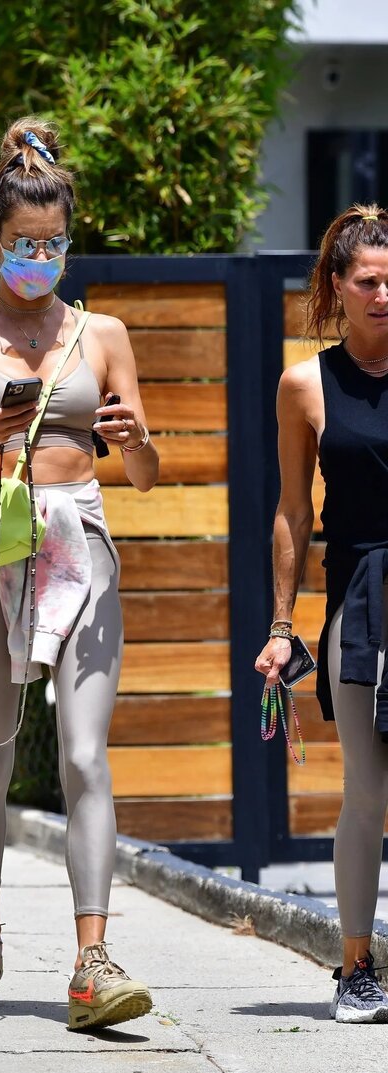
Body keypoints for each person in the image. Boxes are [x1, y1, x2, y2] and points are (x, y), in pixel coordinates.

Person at [0, 116, 159, 1030]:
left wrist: (137, 441)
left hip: (79, 540)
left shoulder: (105, 333)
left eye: (53, 243)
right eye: (24, 243)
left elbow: (144, 475)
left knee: (86, 754)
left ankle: (92, 961)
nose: (39, 258)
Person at [255, 203, 388, 1023]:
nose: (384, 296)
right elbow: (292, 512)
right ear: (337, 287)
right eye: (368, 281)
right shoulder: (306, 384)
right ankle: (356, 968)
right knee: (366, 791)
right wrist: (282, 624)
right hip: (363, 595)